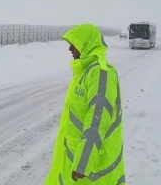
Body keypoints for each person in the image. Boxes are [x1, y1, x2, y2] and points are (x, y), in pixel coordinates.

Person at [44, 24, 125, 184]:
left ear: (86, 45)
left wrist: (84, 162)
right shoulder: (85, 72)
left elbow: (98, 116)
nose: (70, 49)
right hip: (77, 159)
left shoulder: (102, 73)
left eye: (74, 44)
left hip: (93, 166)